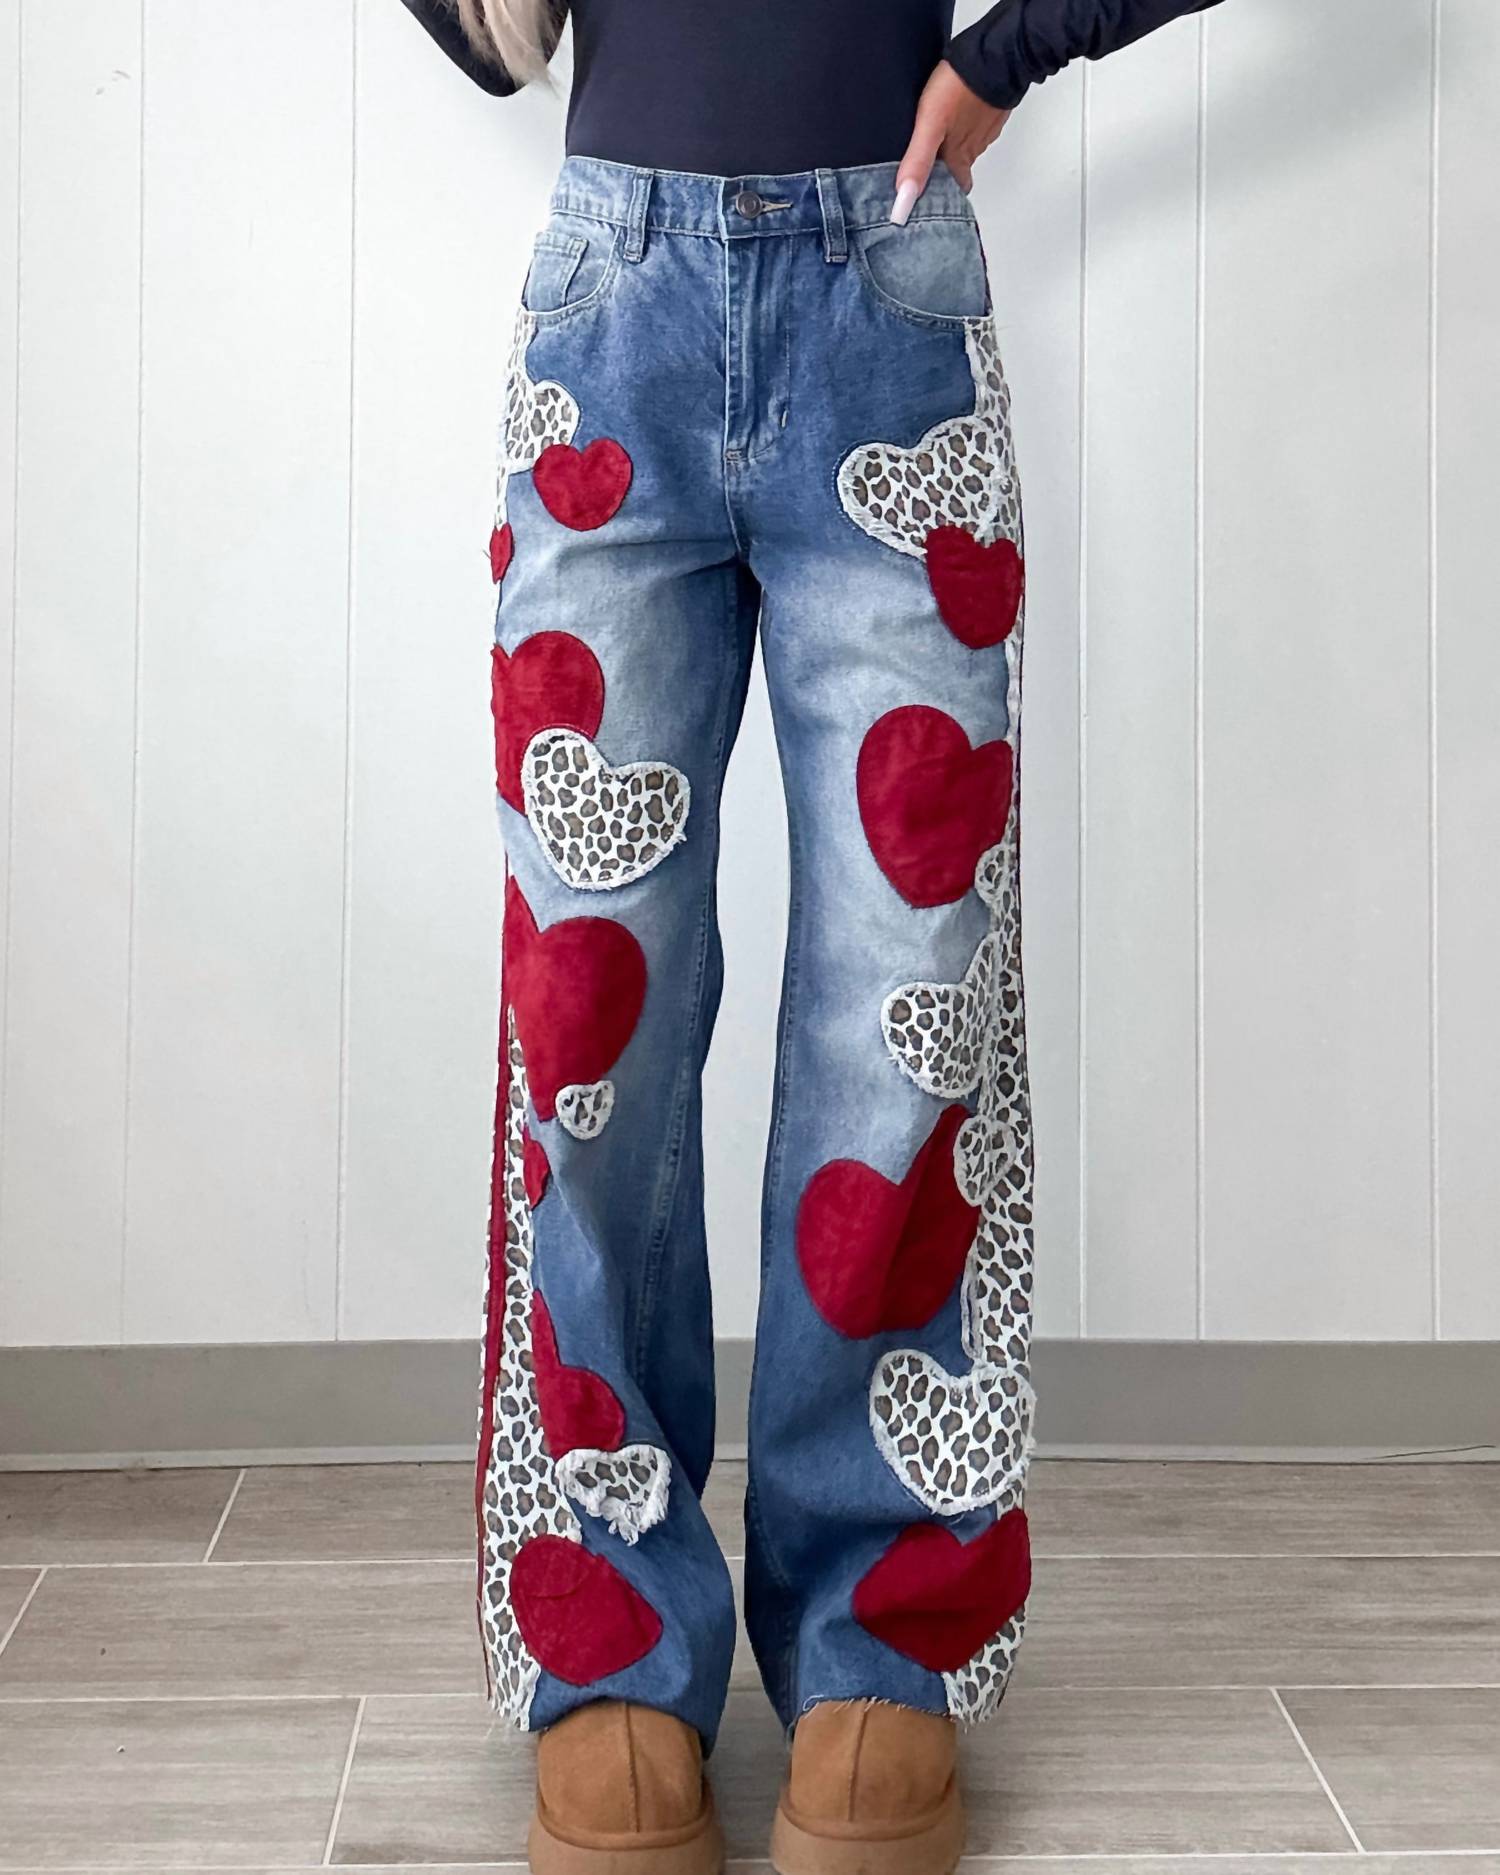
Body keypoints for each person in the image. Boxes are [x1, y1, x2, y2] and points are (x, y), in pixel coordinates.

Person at [403, 3, 1218, 1871]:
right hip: (612, 310)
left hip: (888, 308)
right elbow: (485, 40)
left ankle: (878, 1634)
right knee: (588, 1022)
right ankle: (607, 1633)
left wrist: (1020, 49)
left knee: (905, 1001)